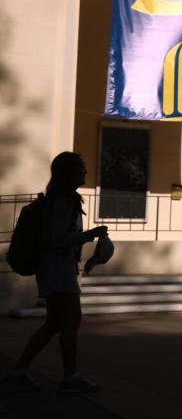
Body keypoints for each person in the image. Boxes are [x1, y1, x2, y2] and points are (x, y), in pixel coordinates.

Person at [2, 152, 108, 394]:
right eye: (80, 169)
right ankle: (70, 377)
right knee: (70, 321)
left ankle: (19, 370)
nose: (85, 172)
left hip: (56, 269)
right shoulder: (63, 201)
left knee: (54, 324)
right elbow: (56, 238)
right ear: (67, 172)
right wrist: (89, 235)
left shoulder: (60, 199)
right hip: (58, 270)